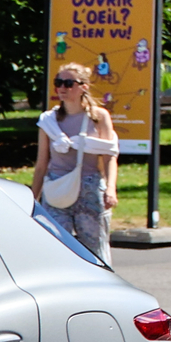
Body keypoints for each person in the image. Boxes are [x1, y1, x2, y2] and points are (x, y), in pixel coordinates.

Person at [34, 63, 117, 264]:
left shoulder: (98, 117)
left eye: (68, 83)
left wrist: (111, 189)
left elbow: (109, 155)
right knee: (56, 243)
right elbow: (42, 163)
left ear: (83, 87)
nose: (62, 88)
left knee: (93, 246)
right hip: (57, 186)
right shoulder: (49, 121)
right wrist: (33, 198)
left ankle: (99, 287)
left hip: (89, 186)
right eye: (58, 83)